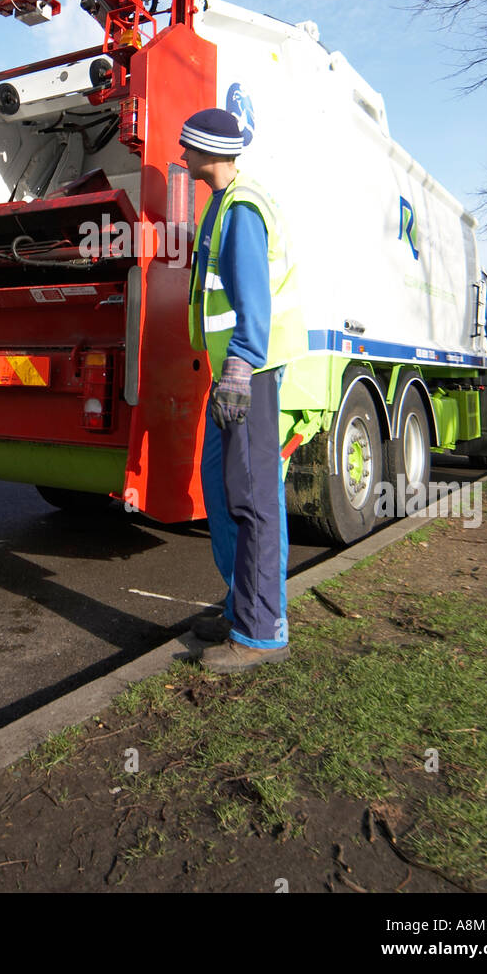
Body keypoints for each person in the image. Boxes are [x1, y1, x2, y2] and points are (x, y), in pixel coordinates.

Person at [180, 107, 306, 671]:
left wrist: (243, 362)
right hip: (230, 374)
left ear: (208, 151)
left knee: (252, 499)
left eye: (188, 147)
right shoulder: (222, 204)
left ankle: (262, 633)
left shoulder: (243, 207)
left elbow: (254, 298)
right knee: (224, 489)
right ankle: (241, 607)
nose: (182, 156)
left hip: (246, 374)